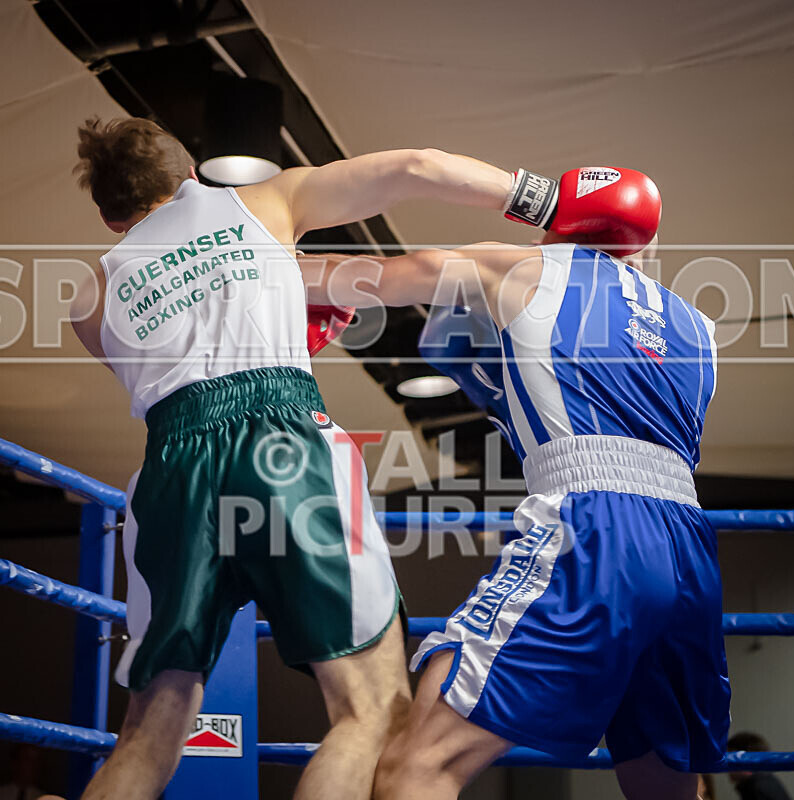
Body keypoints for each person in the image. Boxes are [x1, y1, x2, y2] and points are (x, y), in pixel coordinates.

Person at [67, 116, 526, 800]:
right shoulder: (262, 200)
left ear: (112, 219)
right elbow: (417, 165)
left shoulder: (89, 296)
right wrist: (539, 196)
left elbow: (178, 379)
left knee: (147, 735)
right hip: (283, 442)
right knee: (369, 711)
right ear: (191, 174)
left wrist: (267, 317)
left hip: (170, 470)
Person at [306, 166, 730, 800]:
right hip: (688, 548)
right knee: (665, 783)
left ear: (557, 222)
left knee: (418, 766)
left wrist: (255, 268)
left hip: (596, 529)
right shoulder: (699, 329)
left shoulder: (526, 270)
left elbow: (389, 277)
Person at [728, 732, 793, 800]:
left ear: (748, 760)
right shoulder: (765, 780)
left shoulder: (757, 786)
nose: (727, 764)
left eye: (731, 759)